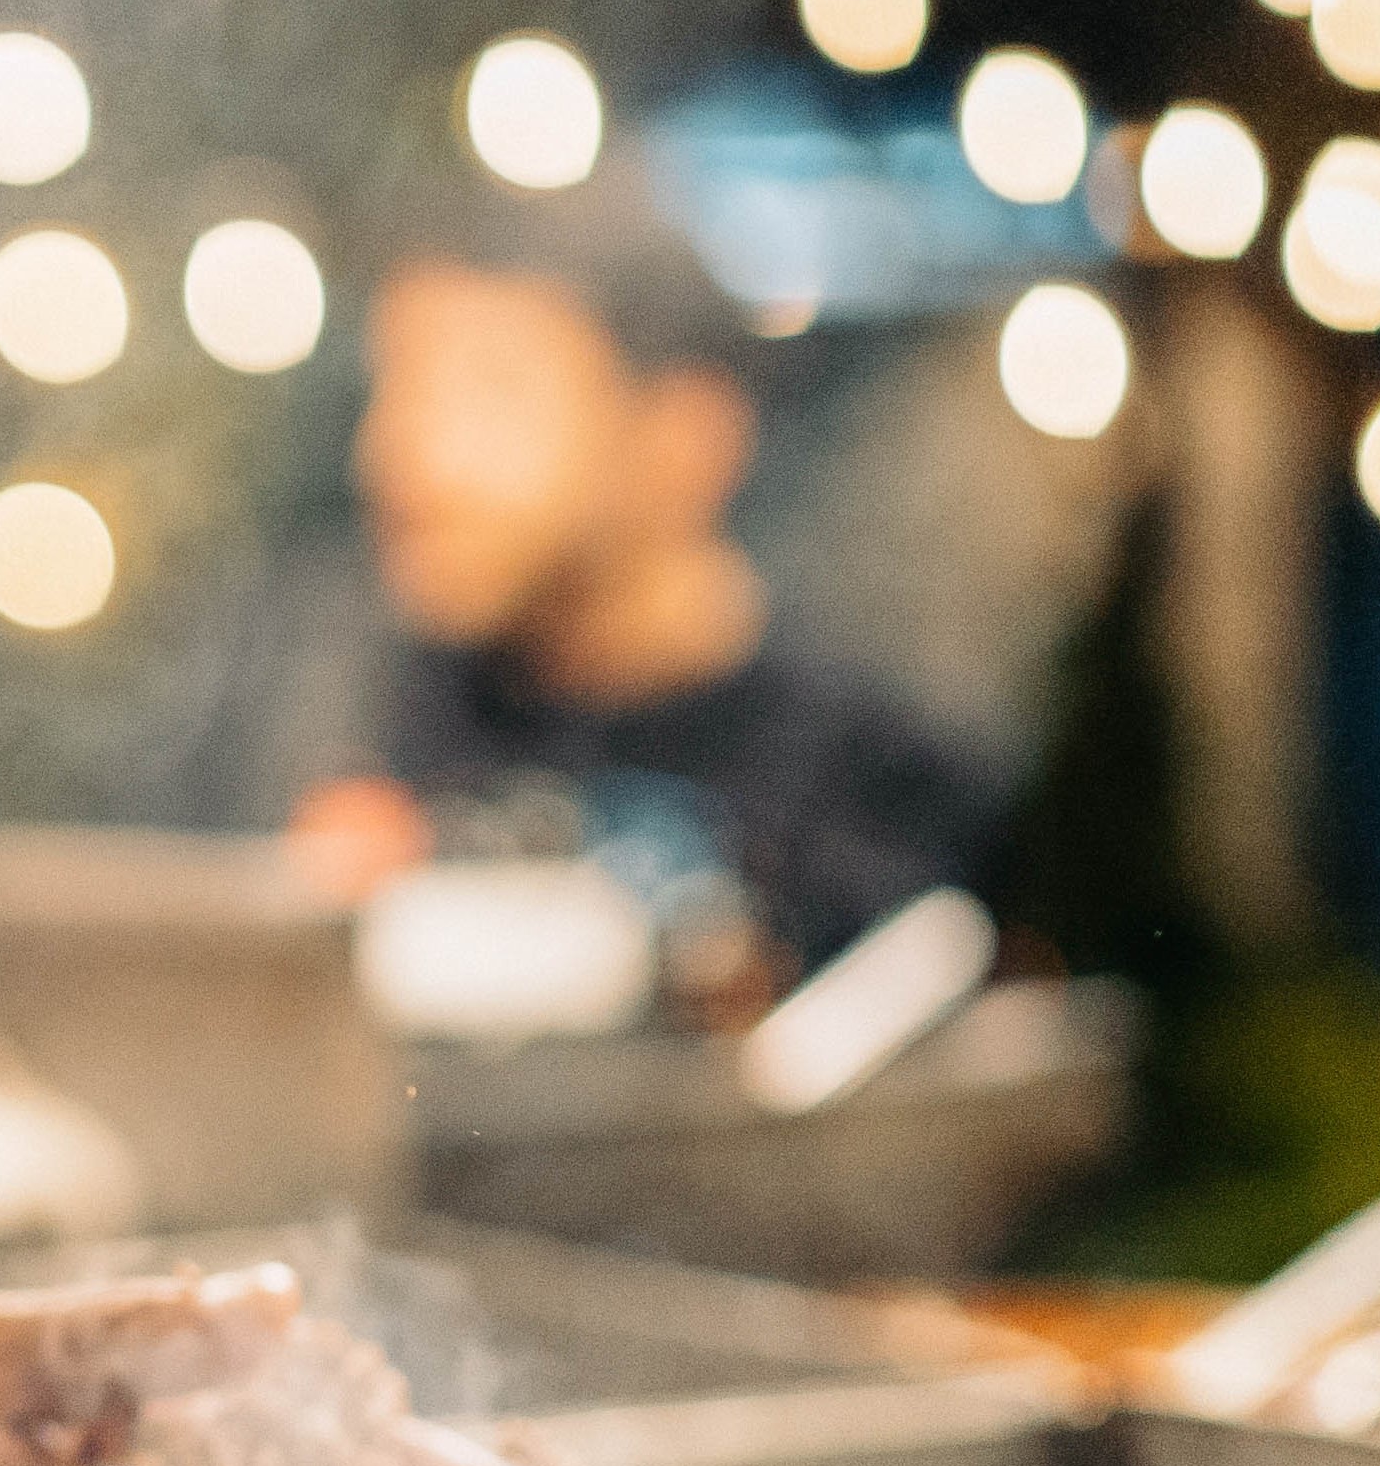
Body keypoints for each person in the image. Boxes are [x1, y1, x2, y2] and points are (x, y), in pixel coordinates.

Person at [283, 210, 1013, 1009]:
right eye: (395, 384)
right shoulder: (351, 719)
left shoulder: (877, 783)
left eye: (489, 388)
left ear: (684, 438)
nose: (401, 452)